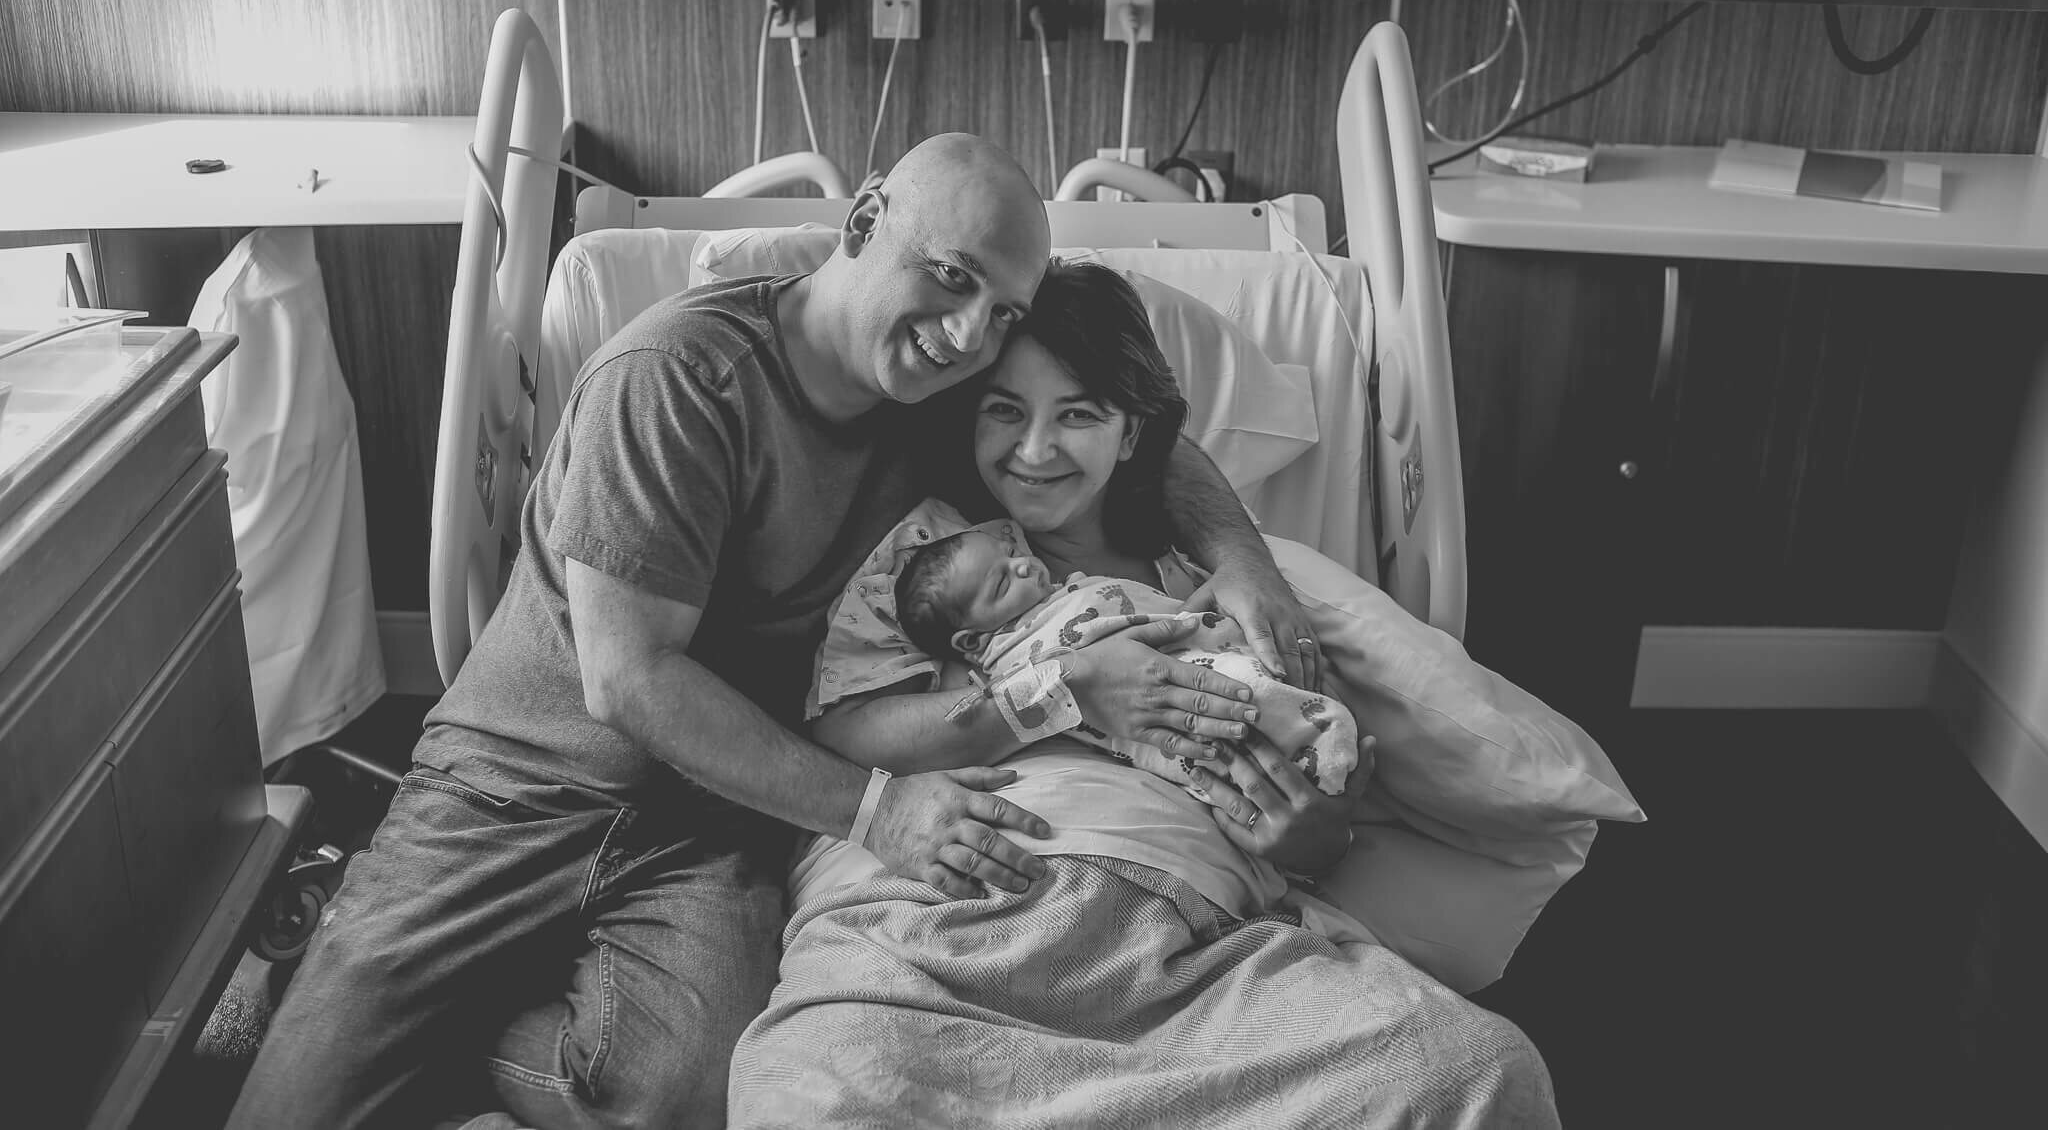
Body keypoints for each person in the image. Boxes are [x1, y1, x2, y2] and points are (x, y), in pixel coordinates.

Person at [227, 136, 1319, 1130]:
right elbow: (630, 681)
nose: (963, 333)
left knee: (685, 1099)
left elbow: (1137, 427)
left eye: (997, 313)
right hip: (517, 785)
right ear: (860, 226)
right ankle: (352, 970)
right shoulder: (675, 383)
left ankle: (449, 1028)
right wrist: (875, 813)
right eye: (947, 278)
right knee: (292, 1111)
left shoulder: (942, 383)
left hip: (717, 804)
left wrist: (1242, 562)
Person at [727, 260, 1559, 1128]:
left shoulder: (1217, 589)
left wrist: (1319, 836)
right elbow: (845, 729)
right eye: (1004, 410)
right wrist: (1062, 691)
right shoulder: (930, 561)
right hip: (932, 935)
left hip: (1188, 959)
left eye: (1078, 414)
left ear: (1131, 437)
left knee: (1474, 1070)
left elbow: (1315, 765)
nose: (1035, 449)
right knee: (815, 1092)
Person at [890, 525, 1363, 795]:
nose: (1021, 566)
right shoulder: (1011, 659)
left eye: (1011, 553)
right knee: (1235, 703)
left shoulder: (1064, 590)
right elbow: (1020, 696)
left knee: (1258, 672)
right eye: (1000, 584)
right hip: (1153, 696)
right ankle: (1321, 753)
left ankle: (1323, 745)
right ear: (972, 642)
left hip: (1190, 645)